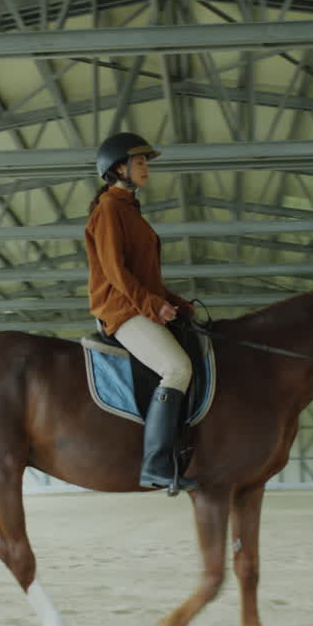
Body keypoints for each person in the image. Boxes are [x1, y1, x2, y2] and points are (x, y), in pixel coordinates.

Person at [84, 132, 197, 493]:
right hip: (120, 310)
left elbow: (146, 276)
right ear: (119, 168)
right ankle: (155, 465)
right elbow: (117, 272)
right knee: (176, 367)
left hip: (139, 305)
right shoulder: (108, 210)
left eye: (146, 162)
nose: (147, 167)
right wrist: (151, 305)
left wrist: (176, 302)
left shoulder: (131, 211)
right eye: (141, 161)